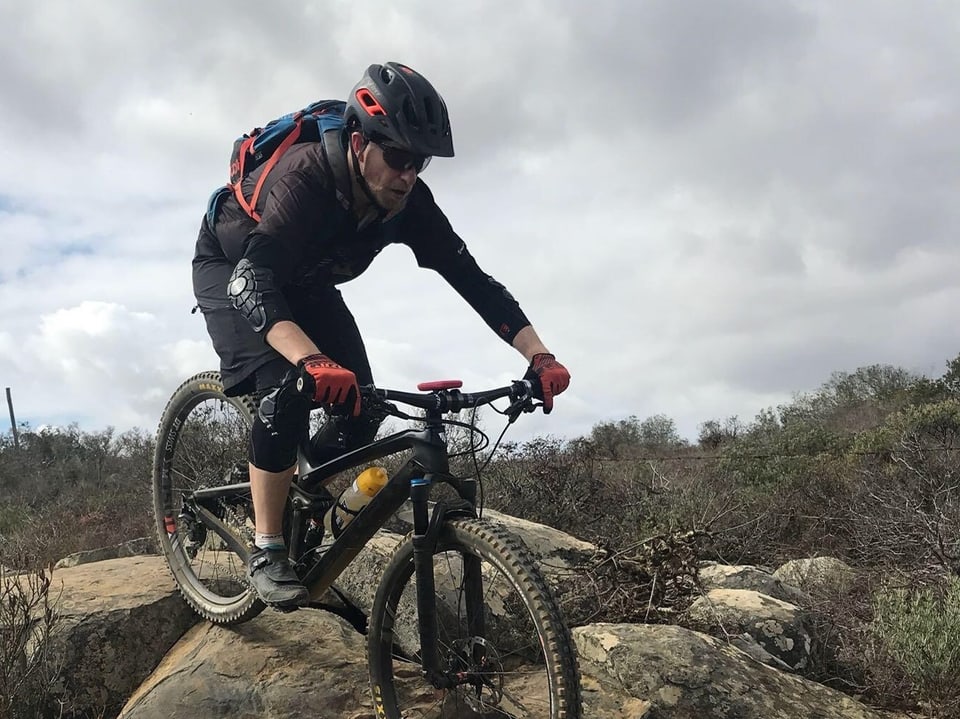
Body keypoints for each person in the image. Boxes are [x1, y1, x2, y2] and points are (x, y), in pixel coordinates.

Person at [192, 62, 571, 606]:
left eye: (418, 162)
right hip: (235, 269)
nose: (408, 174)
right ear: (358, 142)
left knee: (363, 407)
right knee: (286, 391)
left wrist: (539, 356)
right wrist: (310, 361)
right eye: (397, 156)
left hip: (308, 282)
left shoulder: (409, 203)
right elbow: (254, 281)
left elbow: (474, 282)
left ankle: (302, 489)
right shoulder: (305, 181)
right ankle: (267, 547)